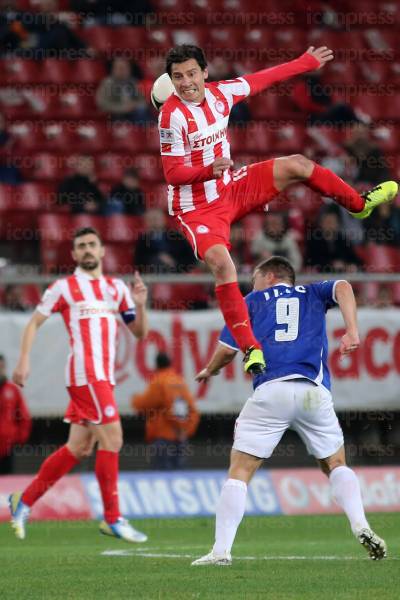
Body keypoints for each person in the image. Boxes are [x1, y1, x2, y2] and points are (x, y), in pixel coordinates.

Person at [158, 44, 398, 376]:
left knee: (298, 165)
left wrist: (305, 62)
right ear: (171, 80)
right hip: (197, 208)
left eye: (191, 73)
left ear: (205, 72)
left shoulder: (221, 94)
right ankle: (251, 349)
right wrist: (208, 170)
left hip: (230, 186)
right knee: (222, 266)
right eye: (177, 77)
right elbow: (172, 174)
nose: (185, 82)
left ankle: (358, 205)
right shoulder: (170, 115)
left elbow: (263, 78)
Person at [192, 256, 386, 565]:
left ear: (269, 277)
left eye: (255, 278)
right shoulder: (312, 293)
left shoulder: (251, 301)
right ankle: (361, 523)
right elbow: (345, 286)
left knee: (240, 471)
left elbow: (228, 351)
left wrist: (208, 370)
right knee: (335, 463)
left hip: (272, 391)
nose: (252, 284)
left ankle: (221, 551)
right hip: (313, 392)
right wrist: (352, 330)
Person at [10, 227, 149, 543]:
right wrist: (24, 360)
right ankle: (112, 518)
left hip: (104, 378)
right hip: (86, 375)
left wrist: (140, 304)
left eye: (92, 244)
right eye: (81, 246)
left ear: (102, 251)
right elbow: (33, 322)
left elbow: (139, 332)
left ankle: (24, 500)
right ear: (73, 255)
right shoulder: (64, 287)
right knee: (113, 439)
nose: (87, 250)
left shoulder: (116, 289)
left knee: (79, 447)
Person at [132, 352, 200, 469]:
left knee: (161, 476)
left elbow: (145, 404)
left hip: (163, 438)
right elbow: (193, 411)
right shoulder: (180, 382)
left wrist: (135, 400)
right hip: (181, 438)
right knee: (179, 477)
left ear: (157, 365)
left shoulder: (159, 382)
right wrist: (185, 431)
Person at [0, 355, 31, 474]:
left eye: (1, 367)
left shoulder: (12, 390)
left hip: (7, 446)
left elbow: (24, 416)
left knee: (6, 480)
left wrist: (18, 437)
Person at [96, 57, 151, 123]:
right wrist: (122, 108)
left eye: (125, 68)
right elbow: (102, 104)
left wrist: (135, 105)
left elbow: (143, 101)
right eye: (119, 68)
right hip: (115, 115)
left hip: (134, 113)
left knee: (143, 111)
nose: (122, 71)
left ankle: (148, 130)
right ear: (113, 69)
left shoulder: (133, 82)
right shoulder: (107, 84)